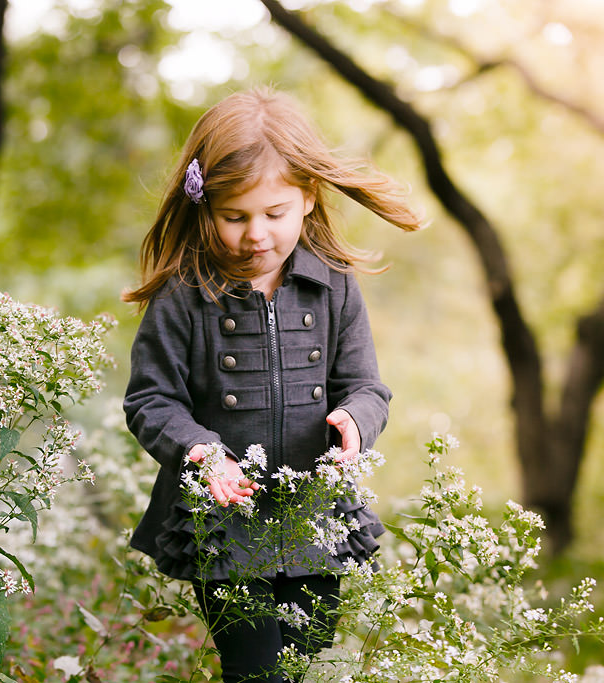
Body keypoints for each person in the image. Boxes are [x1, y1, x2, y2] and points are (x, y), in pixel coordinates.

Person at [122, 87, 422, 682]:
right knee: (256, 671)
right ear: (204, 205)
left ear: (307, 198)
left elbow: (366, 386)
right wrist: (201, 453)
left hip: (316, 517)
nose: (255, 234)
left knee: (299, 664)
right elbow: (150, 399)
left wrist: (356, 423)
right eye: (235, 216)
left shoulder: (332, 284)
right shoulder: (185, 292)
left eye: (274, 213)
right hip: (224, 525)